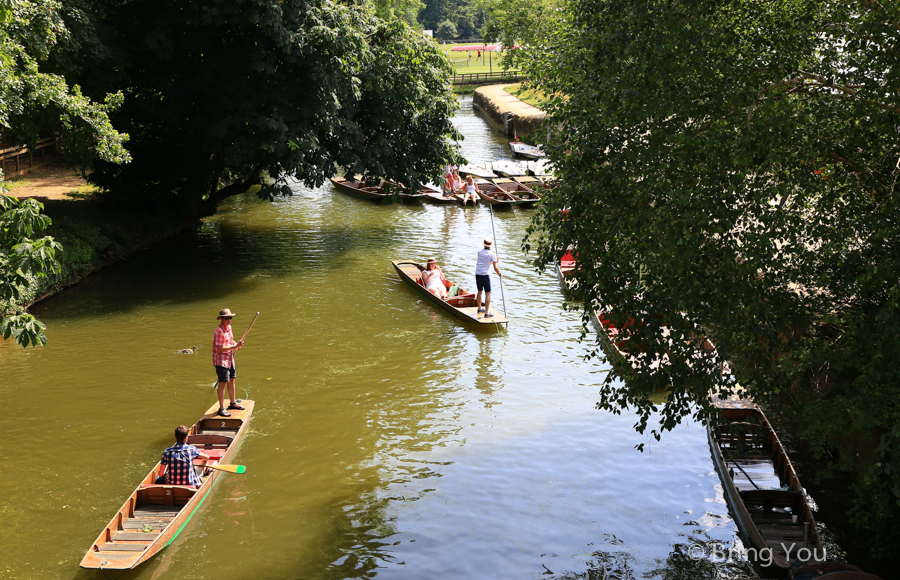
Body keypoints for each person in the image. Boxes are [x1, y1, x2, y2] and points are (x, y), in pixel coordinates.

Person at [213, 308, 245, 417]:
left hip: (230, 359)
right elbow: (220, 348)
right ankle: (221, 408)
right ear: (221, 319)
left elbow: (230, 341)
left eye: (230, 318)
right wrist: (235, 346)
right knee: (223, 383)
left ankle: (232, 403)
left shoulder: (229, 328)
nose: (229, 320)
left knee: (232, 380)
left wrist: (237, 344)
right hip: (221, 361)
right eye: (227, 318)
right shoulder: (218, 331)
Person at [475, 239, 502, 318]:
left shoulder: (479, 252)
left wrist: (494, 261)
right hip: (485, 275)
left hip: (478, 274)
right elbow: (495, 268)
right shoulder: (492, 254)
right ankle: (486, 313)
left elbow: (484, 261)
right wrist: (500, 274)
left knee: (479, 291)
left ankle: (479, 308)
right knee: (488, 293)